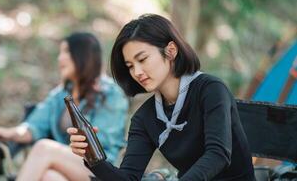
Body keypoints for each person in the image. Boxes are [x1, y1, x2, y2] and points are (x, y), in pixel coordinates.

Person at [68, 14, 256, 180]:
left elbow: (218, 154)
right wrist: (93, 159)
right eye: (130, 66)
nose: (137, 72)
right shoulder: (145, 117)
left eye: (142, 59)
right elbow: (129, 177)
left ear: (171, 51)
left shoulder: (210, 90)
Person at [0, 32, 129, 181]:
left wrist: (61, 152)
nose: (60, 58)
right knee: (50, 177)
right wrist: (7, 133)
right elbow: (34, 126)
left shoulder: (111, 94)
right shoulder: (61, 94)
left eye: (66, 51)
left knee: (44, 148)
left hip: (101, 170)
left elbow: (101, 147)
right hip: (69, 167)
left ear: (82, 55)